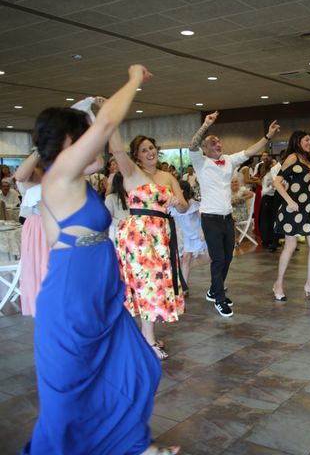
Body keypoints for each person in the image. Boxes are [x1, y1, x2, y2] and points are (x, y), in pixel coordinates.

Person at [23, 65, 178, 455]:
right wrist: (133, 78)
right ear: (72, 143)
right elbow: (109, 122)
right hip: (72, 304)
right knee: (70, 404)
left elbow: (106, 127)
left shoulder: (76, 182)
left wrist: (95, 112)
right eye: (89, 136)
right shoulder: (58, 179)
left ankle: (130, 443)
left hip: (103, 301)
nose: (100, 142)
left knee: (138, 368)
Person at [189, 111, 280, 317]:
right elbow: (193, 145)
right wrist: (206, 125)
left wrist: (268, 136)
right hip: (210, 218)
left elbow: (249, 151)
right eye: (213, 143)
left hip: (227, 218)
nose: (218, 145)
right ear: (205, 148)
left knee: (227, 257)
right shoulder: (200, 161)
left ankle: (214, 290)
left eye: (219, 142)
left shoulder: (229, 160)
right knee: (218, 259)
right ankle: (219, 299)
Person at [113, 130, 189, 361]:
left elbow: (184, 207)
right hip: (140, 237)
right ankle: (147, 339)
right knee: (148, 286)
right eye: (144, 150)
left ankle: (146, 336)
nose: (150, 153)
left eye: (151, 148)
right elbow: (117, 150)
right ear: (136, 156)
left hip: (161, 237)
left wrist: (177, 203)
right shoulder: (132, 172)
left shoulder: (168, 177)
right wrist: (107, 122)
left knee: (155, 285)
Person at [272, 130, 310, 301]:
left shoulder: (309, 160)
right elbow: (277, 182)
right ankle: (278, 284)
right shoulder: (292, 157)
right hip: (293, 208)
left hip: (308, 208)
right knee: (290, 246)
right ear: (298, 141)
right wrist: (289, 201)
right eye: (306, 140)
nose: (309, 143)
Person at [14, 150, 47, 317]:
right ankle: (41, 304)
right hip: (38, 225)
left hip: (57, 221)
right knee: (40, 263)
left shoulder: (56, 167)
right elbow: (20, 177)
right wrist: (39, 151)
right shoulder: (31, 172)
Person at [168, 181, 209, 292]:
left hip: (200, 234)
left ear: (181, 190)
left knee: (210, 258)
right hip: (188, 236)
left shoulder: (192, 203)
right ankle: (184, 287)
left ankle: (218, 284)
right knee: (186, 258)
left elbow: (203, 218)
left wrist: (203, 231)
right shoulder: (172, 205)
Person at [258, 156, 278, 251]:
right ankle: (266, 241)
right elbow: (263, 192)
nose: (276, 164)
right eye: (274, 163)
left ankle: (275, 240)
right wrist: (272, 187)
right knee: (267, 222)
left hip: (275, 199)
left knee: (274, 220)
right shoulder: (267, 177)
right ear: (271, 165)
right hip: (267, 199)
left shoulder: (276, 175)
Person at [104, 172, 130, 242]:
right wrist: (120, 222)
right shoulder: (110, 198)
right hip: (116, 231)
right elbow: (107, 217)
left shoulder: (130, 197)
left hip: (129, 230)